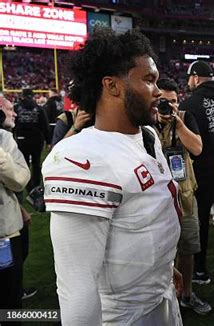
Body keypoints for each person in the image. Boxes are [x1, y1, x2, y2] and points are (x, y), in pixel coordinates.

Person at [42, 28, 183, 325]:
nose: (157, 91)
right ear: (112, 86)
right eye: (148, 80)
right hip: (123, 316)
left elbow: (143, 221)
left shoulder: (147, 136)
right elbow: (77, 286)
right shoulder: (81, 158)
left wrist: (162, 268)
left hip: (159, 296)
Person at [154, 78, 211, 315]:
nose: (169, 106)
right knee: (158, 251)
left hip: (184, 196)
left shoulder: (185, 118)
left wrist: (177, 124)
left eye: (174, 101)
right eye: (164, 102)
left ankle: (187, 293)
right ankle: (162, 295)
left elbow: (197, 148)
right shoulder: (145, 123)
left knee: (187, 248)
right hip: (155, 199)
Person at [179, 60, 214, 284]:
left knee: (200, 222)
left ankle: (200, 271)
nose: (189, 82)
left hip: (203, 172)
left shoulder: (190, 104)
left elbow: (190, 144)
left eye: (190, 78)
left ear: (196, 78)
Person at [0, 97, 31, 313]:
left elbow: (19, 180)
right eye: (10, 109)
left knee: (9, 296)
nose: (15, 113)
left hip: (3, 233)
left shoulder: (3, 138)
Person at [14, 88, 50, 192]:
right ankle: (36, 185)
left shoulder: (16, 108)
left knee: (23, 163)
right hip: (36, 139)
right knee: (36, 163)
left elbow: (12, 124)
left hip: (22, 139)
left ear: (22, 95)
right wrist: (48, 141)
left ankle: (27, 185)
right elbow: (45, 125)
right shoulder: (39, 108)